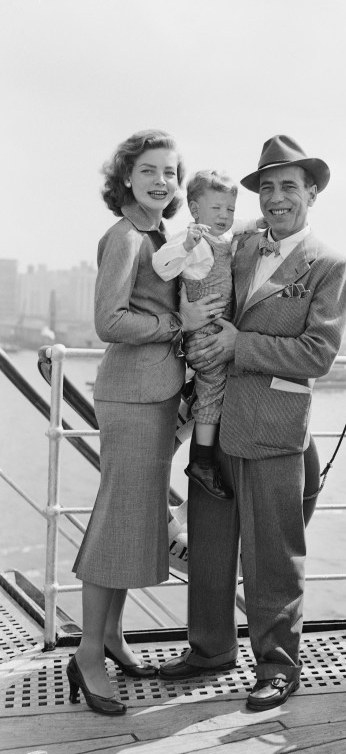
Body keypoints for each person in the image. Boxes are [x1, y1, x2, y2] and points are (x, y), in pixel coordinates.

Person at [160, 134, 346, 711]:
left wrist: (239, 343)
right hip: (212, 424)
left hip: (273, 427)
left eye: (288, 186)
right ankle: (209, 651)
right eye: (266, 186)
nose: (275, 197)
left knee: (274, 555)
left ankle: (276, 666)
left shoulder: (331, 265)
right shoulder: (237, 246)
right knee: (212, 547)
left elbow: (318, 354)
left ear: (311, 193)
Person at [68, 130, 220, 715]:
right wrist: (175, 328)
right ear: (126, 177)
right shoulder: (125, 236)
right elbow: (109, 320)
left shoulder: (159, 235)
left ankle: (111, 635)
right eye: (150, 170)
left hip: (155, 394)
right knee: (118, 519)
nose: (163, 182)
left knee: (133, 518)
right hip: (131, 395)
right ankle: (87, 653)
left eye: (171, 173)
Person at [152, 170, 263, 499]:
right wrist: (185, 245)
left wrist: (256, 222)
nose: (225, 216)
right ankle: (201, 461)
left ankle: (204, 447)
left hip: (217, 328)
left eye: (229, 209)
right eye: (217, 209)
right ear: (195, 209)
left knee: (216, 388)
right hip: (205, 334)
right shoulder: (195, 242)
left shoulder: (222, 238)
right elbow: (162, 265)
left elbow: (239, 228)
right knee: (214, 392)